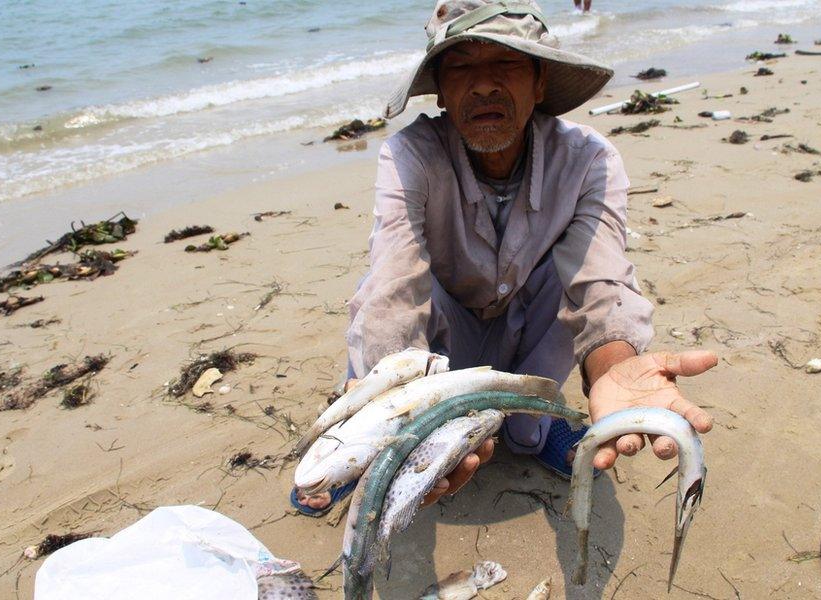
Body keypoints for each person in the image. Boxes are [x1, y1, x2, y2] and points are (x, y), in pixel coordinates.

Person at [293, 0, 716, 515]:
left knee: (568, 281)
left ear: (539, 83)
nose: (485, 84)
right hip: (440, 344)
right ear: (442, 92)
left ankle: (535, 421)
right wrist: (395, 408)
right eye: (462, 66)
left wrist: (615, 369)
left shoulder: (589, 160)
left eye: (508, 63)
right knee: (391, 304)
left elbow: (602, 285)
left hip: (530, 335)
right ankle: (364, 433)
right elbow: (394, 287)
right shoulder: (411, 156)